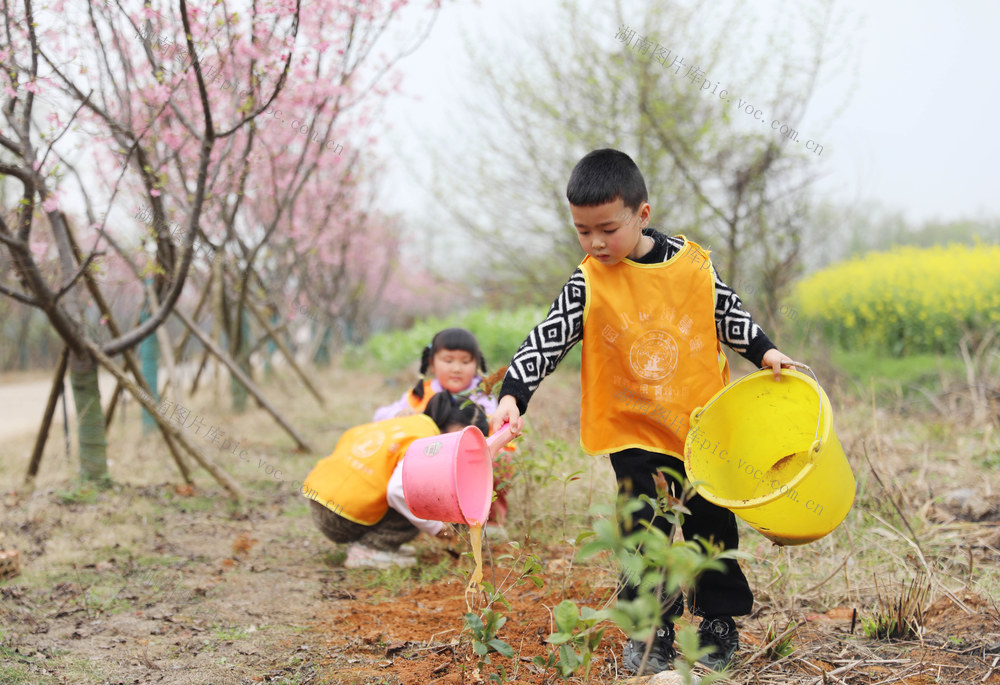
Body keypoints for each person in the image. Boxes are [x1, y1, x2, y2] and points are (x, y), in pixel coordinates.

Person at [489, 149, 797, 675]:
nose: (596, 243)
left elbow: (728, 311)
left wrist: (766, 352)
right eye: (582, 232)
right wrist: (514, 393)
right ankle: (650, 632)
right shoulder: (589, 280)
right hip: (634, 430)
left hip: (703, 429)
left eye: (607, 228)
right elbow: (548, 337)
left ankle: (718, 622)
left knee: (712, 526)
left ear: (642, 214)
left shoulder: (692, 265)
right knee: (642, 530)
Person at [304, 391, 489, 569]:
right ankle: (370, 549)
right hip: (339, 519)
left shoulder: (409, 423)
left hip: (321, 502)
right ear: (451, 427)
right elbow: (397, 491)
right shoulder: (427, 443)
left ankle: (375, 542)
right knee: (421, 501)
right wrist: (437, 528)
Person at [374, 328, 513, 538]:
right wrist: (400, 414)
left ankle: (489, 521)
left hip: (470, 465)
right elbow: (380, 416)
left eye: (465, 362)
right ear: (431, 363)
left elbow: (500, 430)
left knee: (501, 458)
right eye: (448, 361)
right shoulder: (422, 393)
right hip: (429, 466)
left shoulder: (483, 396)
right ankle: (422, 522)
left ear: (477, 364)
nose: (456, 368)